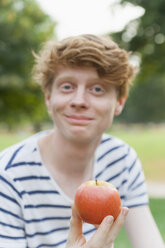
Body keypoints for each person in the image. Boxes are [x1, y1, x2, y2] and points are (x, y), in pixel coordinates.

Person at [0, 34, 164, 248]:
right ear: (48, 98)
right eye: (67, 87)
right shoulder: (8, 175)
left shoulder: (121, 159)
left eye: (97, 89)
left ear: (119, 102)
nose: (79, 101)